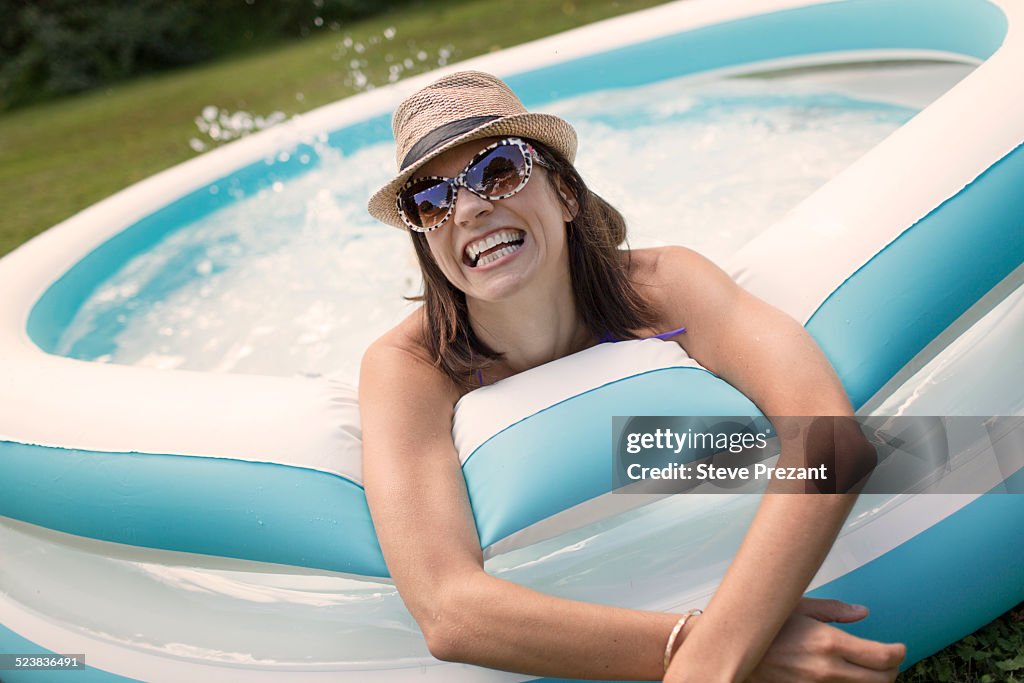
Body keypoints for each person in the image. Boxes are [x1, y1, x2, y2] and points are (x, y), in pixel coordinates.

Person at [360, 70, 906, 682]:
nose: (469, 208)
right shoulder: (410, 368)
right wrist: (703, 647)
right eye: (430, 201)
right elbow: (449, 610)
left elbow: (830, 438)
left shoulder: (667, 286)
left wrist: (718, 647)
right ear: (424, 242)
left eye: (498, 171)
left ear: (566, 194)